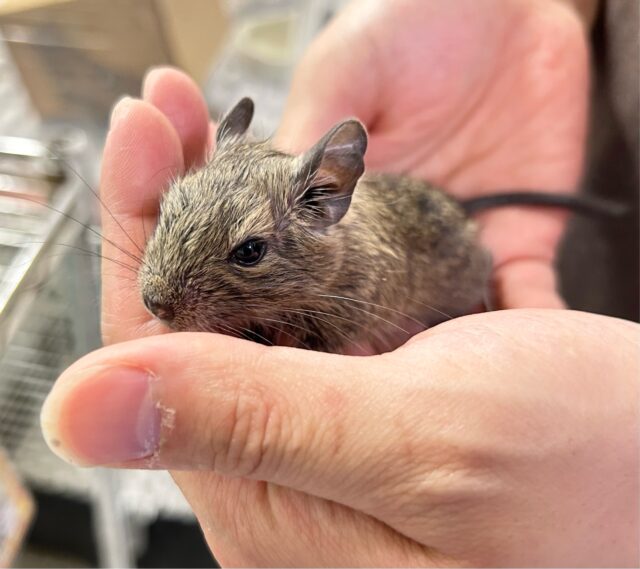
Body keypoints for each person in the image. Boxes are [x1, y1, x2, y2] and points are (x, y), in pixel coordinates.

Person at [41, 0, 639, 565]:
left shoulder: (351, 280)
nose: (158, 293)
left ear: (326, 199)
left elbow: (336, 333)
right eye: (169, 216)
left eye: (247, 253)